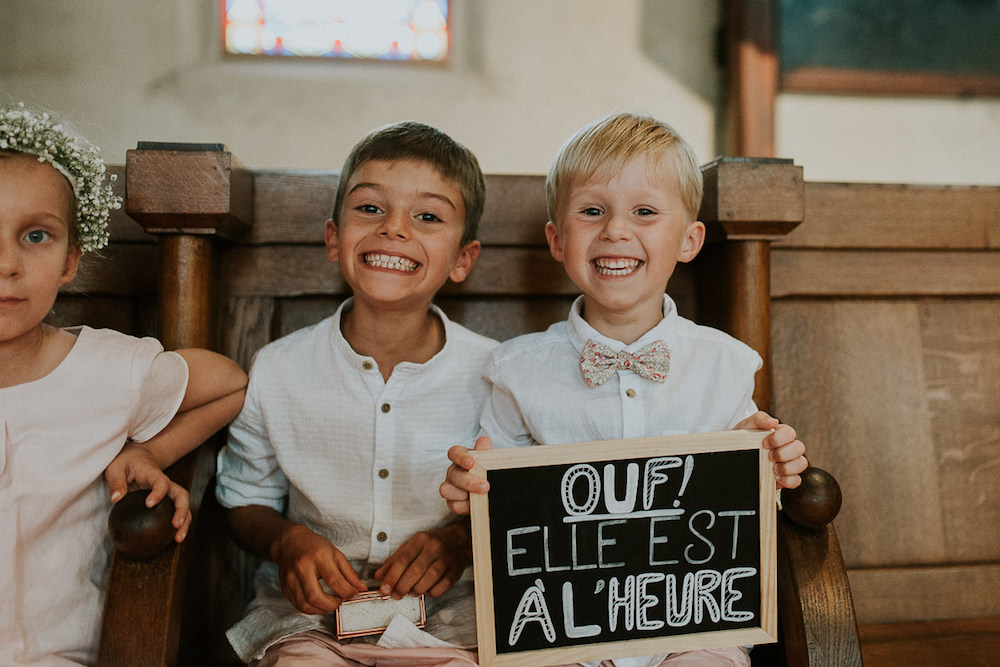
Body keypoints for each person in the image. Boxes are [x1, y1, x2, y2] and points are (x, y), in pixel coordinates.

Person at [439, 112, 809, 667]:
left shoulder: (723, 363)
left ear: (688, 240)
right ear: (557, 239)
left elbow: (738, 496)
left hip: (695, 623)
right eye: (592, 211)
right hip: (562, 626)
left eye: (644, 212)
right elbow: (499, 491)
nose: (615, 230)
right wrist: (472, 492)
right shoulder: (518, 370)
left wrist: (772, 462)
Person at [215, 121, 496, 666]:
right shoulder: (279, 369)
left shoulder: (495, 373)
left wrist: (461, 541)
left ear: (463, 258)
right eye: (370, 209)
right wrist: (285, 542)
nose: (394, 229)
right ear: (333, 238)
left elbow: (521, 499)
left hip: (452, 621)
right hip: (307, 620)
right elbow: (242, 498)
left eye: (428, 217)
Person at [0, 103, 248, 666]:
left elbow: (230, 383)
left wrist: (148, 452)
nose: (6, 263)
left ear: (69, 261)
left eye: (35, 235)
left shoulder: (105, 372)